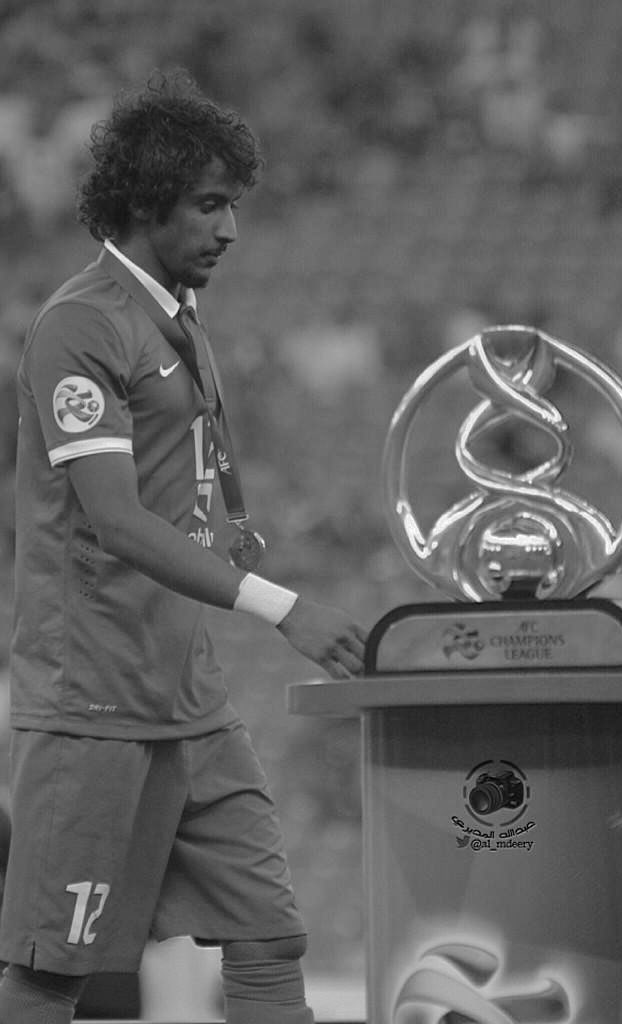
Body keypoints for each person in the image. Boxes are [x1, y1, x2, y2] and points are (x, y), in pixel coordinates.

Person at [0, 70, 367, 1024]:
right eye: (209, 204)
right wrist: (283, 606)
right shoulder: (81, 326)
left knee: (269, 934)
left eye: (232, 204)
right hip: (91, 699)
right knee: (52, 971)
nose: (230, 228)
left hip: (186, 696)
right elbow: (116, 520)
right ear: (144, 202)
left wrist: (233, 524)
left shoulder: (176, 316)